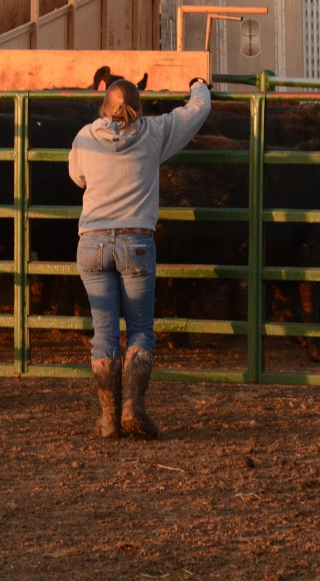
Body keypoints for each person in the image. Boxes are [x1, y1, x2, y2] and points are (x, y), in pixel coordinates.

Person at [68, 76, 211, 440]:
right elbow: (197, 111)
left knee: (104, 334)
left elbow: (77, 177)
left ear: (103, 107)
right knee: (141, 330)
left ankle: (109, 419)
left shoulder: (85, 136)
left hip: (93, 243)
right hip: (136, 242)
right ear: (140, 107)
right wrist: (198, 85)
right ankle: (134, 407)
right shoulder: (155, 132)